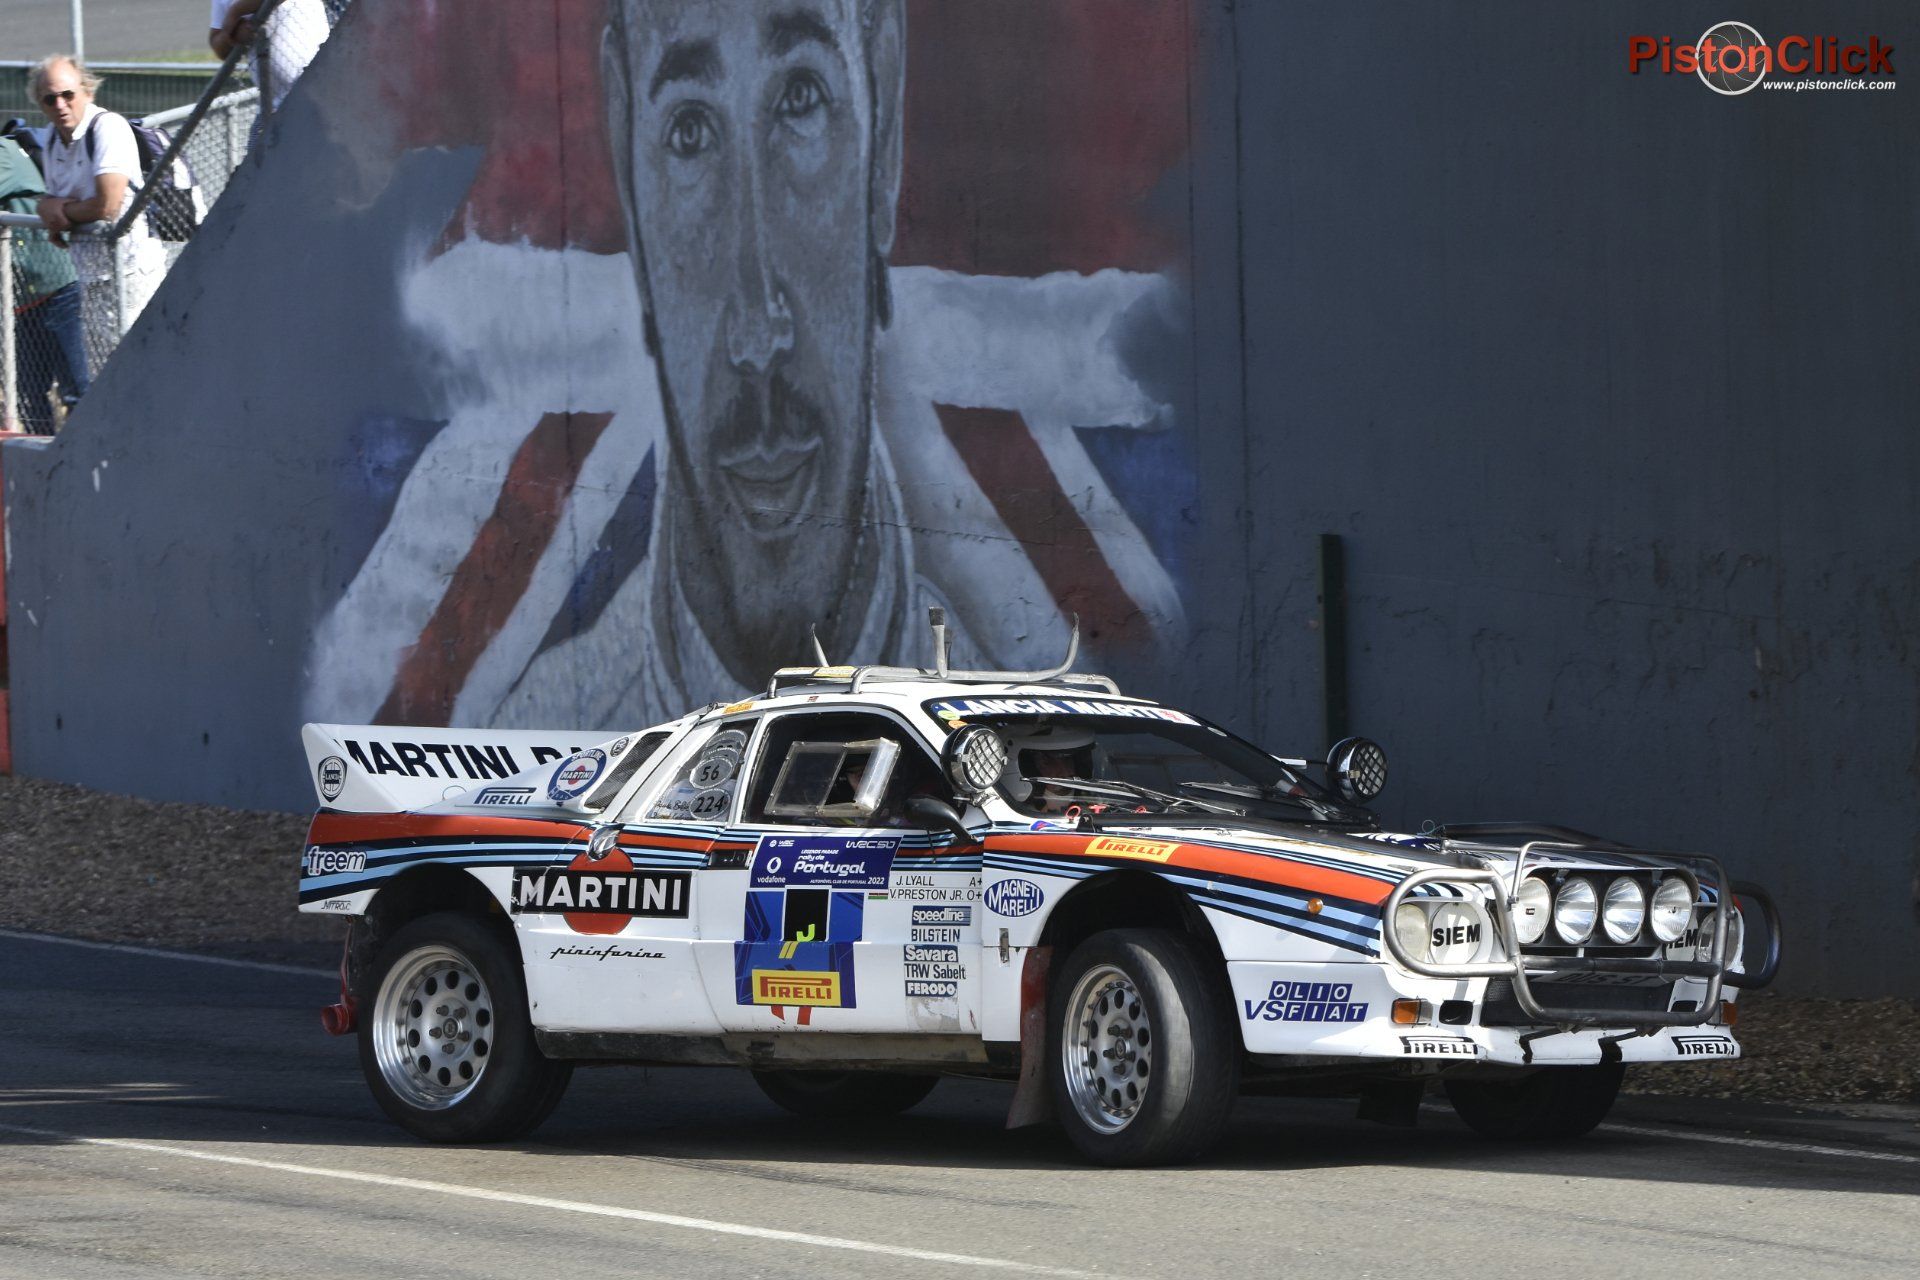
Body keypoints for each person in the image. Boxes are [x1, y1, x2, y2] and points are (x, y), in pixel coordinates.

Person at [303, 0, 1187, 730]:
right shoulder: (553, 741)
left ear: (880, 134)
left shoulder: (1020, 745)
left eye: (801, 101)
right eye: (690, 131)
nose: (757, 330)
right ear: (624, 151)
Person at [29, 56, 166, 364]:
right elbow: (54, 199)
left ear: (87, 93)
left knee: (142, 362)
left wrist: (59, 212)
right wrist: (49, 207)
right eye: (50, 99)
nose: (60, 105)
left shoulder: (108, 127)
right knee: (105, 372)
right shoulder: (51, 138)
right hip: (90, 275)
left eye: (68, 95)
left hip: (131, 272)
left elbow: (108, 205)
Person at [0, 132, 85, 433]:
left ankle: (85, 462)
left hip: (58, 287)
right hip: (21, 301)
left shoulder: (4, 151)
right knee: (28, 399)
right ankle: (46, 473)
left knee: (77, 390)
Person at [210, 0, 331, 115]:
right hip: (271, 109)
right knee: (258, 136)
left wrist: (235, 12)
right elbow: (217, 44)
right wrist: (231, 35)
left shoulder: (235, 11)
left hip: (318, 96)